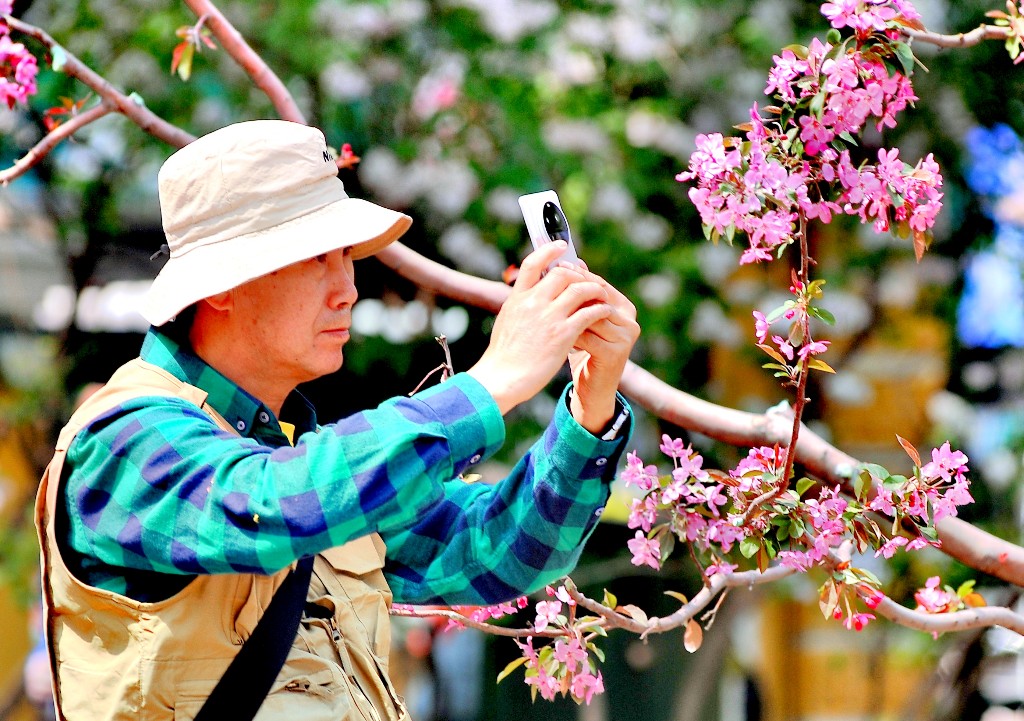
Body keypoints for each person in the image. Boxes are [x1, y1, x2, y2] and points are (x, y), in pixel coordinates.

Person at [34, 119, 639, 721]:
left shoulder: (308, 460)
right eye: (315, 259)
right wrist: (493, 381)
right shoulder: (124, 439)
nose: (346, 288)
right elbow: (271, 504)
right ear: (222, 285)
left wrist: (592, 400)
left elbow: (499, 553)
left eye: (346, 255)